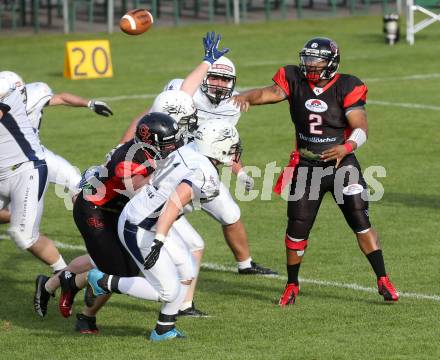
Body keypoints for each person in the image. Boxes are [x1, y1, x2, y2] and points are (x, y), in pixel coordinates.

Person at [231, 37, 399, 305]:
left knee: (360, 220)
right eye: (307, 58)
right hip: (307, 167)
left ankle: (383, 278)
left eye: (316, 59)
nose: (309, 64)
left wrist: (347, 147)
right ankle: (292, 284)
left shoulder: (348, 85)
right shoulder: (293, 78)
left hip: (341, 165)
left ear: (330, 63)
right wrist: (244, 97)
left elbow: (360, 126)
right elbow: (266, 93)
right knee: (297, 229)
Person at [119, 41, 277, 317]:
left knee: (227, 218)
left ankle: (241, 266)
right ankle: (125, 282)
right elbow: (148, 117)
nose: (218, 84)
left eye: (224, 79)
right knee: (183, 242)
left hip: (195, 170)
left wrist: (240, 172)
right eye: (213, 77)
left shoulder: (232, 106)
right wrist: (121, 146)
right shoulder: (182, 94)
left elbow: (224, 143)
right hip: (172, 172)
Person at [87, 119, 243, 341]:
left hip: (149, 215)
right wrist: (160, 240)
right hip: (140, 225)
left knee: (187, 272)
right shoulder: (204, 173)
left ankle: (164, 329)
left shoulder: (191, 149)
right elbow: (173, 204)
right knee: (167, 291)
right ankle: (103, 280)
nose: (235, 150)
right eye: (231, 146)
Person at [0, 77, 113, 223]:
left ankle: (96, 230)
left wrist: (90, 103)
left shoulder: (34, 94)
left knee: (79, 187)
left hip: (37, 155)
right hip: (9, 164)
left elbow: (61, 98)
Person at [0, 71, 67, 278]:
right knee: (20, 225)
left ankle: (65, 274)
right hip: (3, 174)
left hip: (26, 170)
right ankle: (22, 213)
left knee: (24, 235)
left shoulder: (9, 94)